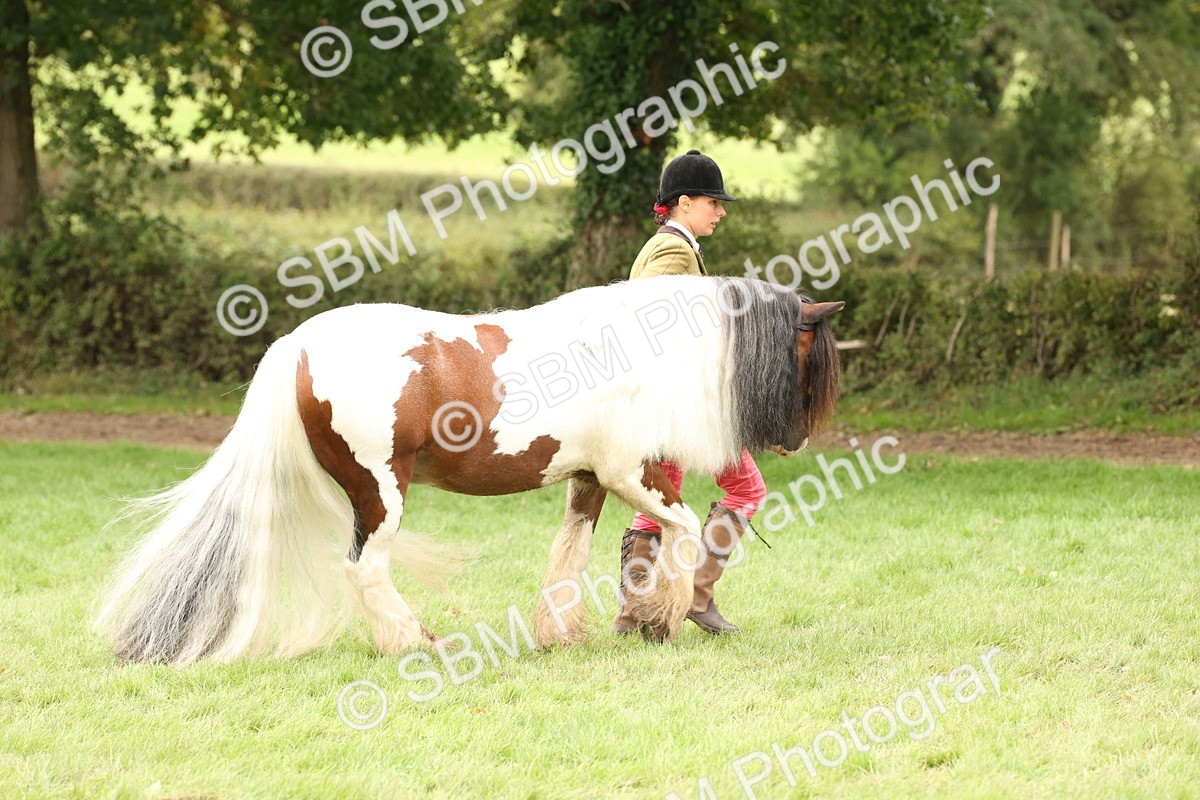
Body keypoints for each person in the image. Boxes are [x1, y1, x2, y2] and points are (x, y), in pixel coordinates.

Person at [613, 149, 768, 635]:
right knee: (746, 488)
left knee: (662, 498)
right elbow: (647, 317)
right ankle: (696, 598)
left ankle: (633, 610)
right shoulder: (672, 252)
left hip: (664, 403)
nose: (721, 211)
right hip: (683, 406)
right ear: (683, 203)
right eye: (712, 202)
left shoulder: (672, 245)